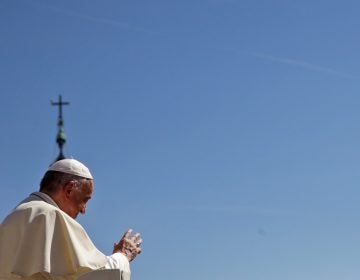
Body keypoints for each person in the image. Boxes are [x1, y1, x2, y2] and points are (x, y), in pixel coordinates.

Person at [0, 159, 142, 280]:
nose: (83, 210)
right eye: (84, 200)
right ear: (69, 189)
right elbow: (98, 273)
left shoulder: (14, 216)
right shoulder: (49, 215)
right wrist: (123, 255)